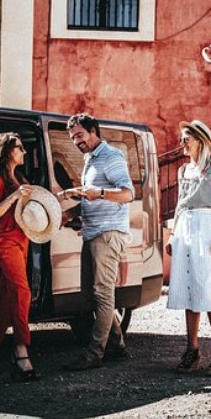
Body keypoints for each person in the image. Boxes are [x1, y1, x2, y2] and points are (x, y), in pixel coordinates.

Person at [60, 113, 134, 371]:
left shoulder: (111, 157)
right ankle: (118, 346)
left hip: (108, 233)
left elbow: (127, 194)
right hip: (92, 232)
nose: (76, 141)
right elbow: (90, 199)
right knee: (90, 296)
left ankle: (94, 354)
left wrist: (100, 192)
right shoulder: (90, 159)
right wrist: (69, 214)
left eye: (79, 135)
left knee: (102, 295)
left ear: (93, 131)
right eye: (72, 138)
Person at [167, 120, 211, 376]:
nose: (182, 143)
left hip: (206, 226)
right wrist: (173, 234)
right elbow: (180, 205)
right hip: (184, 227)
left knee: (208, 286)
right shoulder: (183, 171)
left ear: (200, 141)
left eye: (186, 139)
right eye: (182, 139)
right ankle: (192, 349)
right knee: (187, 287)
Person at [0, 132, 39, 381]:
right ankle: (21, 349)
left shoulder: (20, 178)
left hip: (22, 240)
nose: (24, 152)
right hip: (5, 242)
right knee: (22, 291)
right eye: (20, 148)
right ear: (7, 151)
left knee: (7, 299)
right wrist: (15, 196)